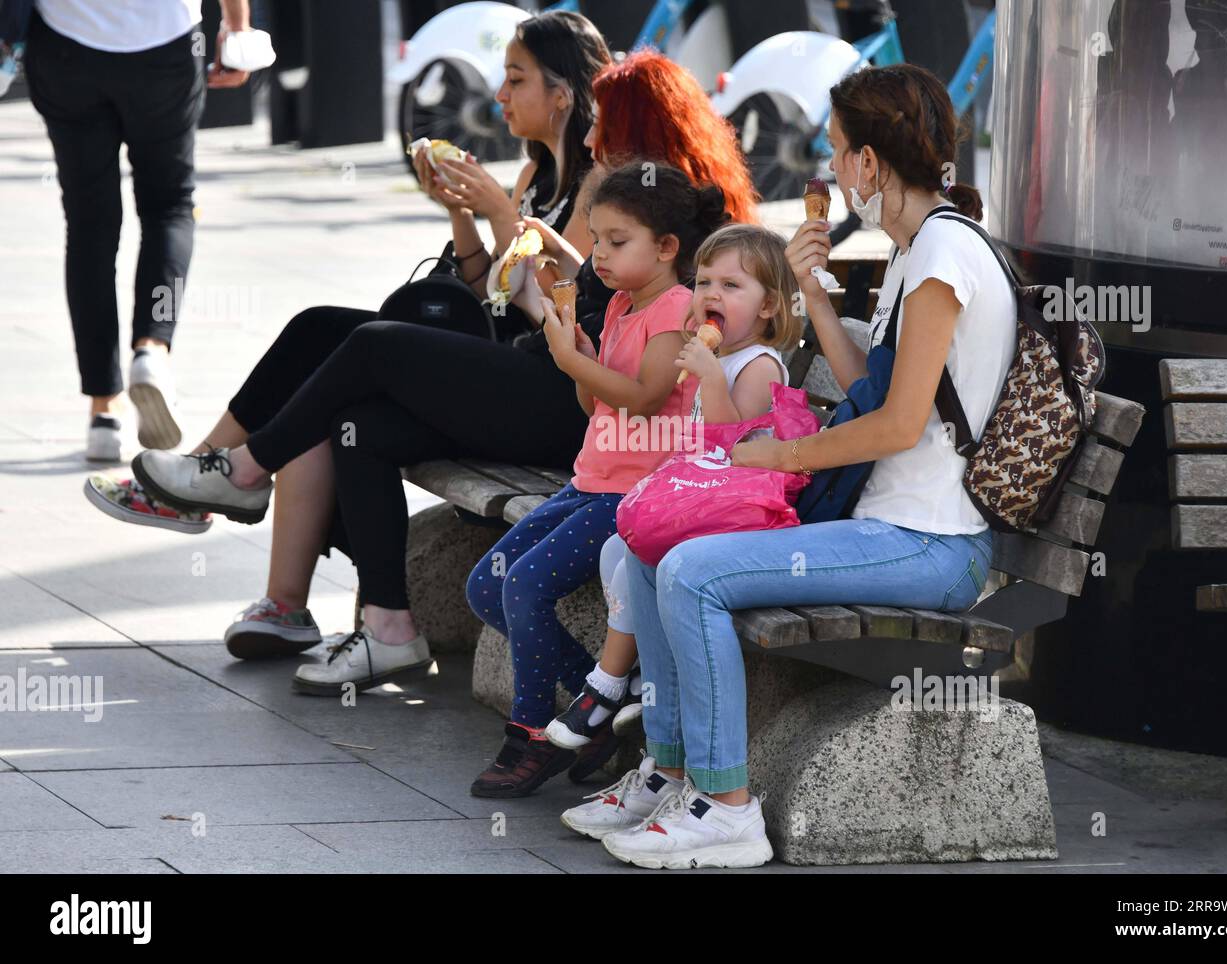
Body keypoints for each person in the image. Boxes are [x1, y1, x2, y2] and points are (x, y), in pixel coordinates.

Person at [84, 9, 611, 657]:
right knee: (334, 372)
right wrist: (463, 216)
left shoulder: (599, 192)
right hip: (503, 367)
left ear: (562, 95)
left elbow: (560, 311)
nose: (499, 94)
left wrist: (500, 212)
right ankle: (347, 617)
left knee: (369, 346)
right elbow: (489, 294)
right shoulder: (534, 176)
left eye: (516, 79)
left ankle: (237, 472)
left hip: (558, 395)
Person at [595, 63, 1016, 870]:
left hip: (930, 541)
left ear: (870, 162)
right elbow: (874, 393)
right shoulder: (920, 251)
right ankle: (670, 771)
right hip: (888, 525)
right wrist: (816, 295)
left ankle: (726, 808)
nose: (830, 171)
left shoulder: (940, 258)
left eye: (836, 152)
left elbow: (895, 427)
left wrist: (777, 453)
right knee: (651, 546)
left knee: (691, 572)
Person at [462, 163, 730, 799]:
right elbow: (596, 407)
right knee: (485, 587)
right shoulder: (617, 304)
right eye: (597, 239)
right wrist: (579, 356)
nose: (598, 254)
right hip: (590, 481)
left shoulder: (672, 309)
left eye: (617, 241)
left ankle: (530, 732)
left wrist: (571, 359)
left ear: (666, 248)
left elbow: (644, 396)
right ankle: (600, 704)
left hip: (634, 495)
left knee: (523, 585)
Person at [544, 223, 799, 797]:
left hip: (737, 516)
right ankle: (631, 678)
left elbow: (741, 451)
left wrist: (710, 380)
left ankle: (609, 683)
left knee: (640, 550)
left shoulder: (759, 365)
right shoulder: (718, 353)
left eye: (732, 285)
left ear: (769, 307)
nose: (712, 294)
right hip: (702, 506)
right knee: (619, 547)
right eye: (705, 280)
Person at [25, 0, 256, 462]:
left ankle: (103, 412)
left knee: (89, 226)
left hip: (65, 43)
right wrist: (237, 28)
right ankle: (152, 348)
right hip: (164, 42)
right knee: (169, 206)